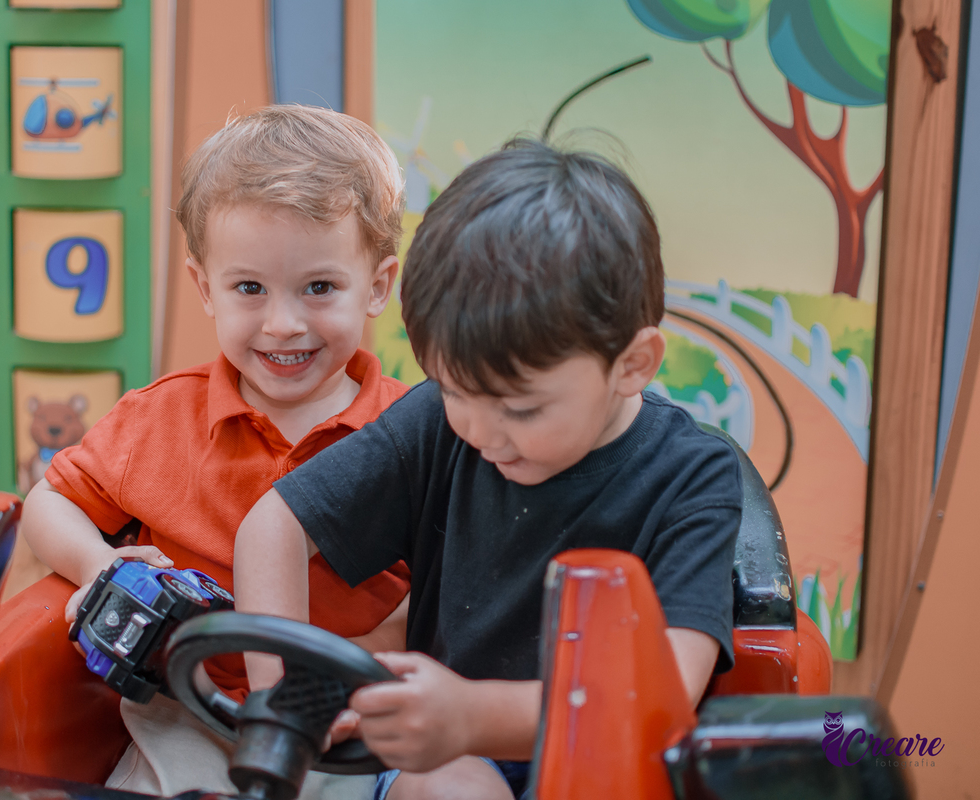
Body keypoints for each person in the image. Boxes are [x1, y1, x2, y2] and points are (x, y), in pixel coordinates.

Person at [232, 139, 744, 800]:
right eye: (453, 390)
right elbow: (273, 527)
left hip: (606, 767)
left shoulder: (692, 480)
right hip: (444, 761)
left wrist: (473, 716)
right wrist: (283, 701)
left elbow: (662, 698)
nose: (479, 431)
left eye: (520, 408)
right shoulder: (437, 424)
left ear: (633, 364)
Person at [20, 104, 413, 800]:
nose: (283, 323)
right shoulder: (159, 415)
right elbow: (48, 502)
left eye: (319, 288)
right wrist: (100, 562)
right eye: (249, 288)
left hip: (353, 725)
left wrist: (362, 669)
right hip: (187, 711)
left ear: (377, 286)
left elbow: (439, 594)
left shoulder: (414, 433)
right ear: (206, 288)